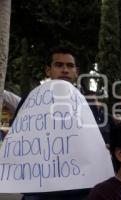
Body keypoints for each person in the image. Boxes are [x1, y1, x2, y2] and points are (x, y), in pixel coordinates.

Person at [16, 47, 98, 200]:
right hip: (40, 188)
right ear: (48, 70)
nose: (65, 70)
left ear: (76, 71)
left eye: (70, 66)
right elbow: (18, 138)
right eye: (59, 65)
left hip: (79, 189)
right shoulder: (31, 100)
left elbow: (98, 136)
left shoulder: (89, 103)